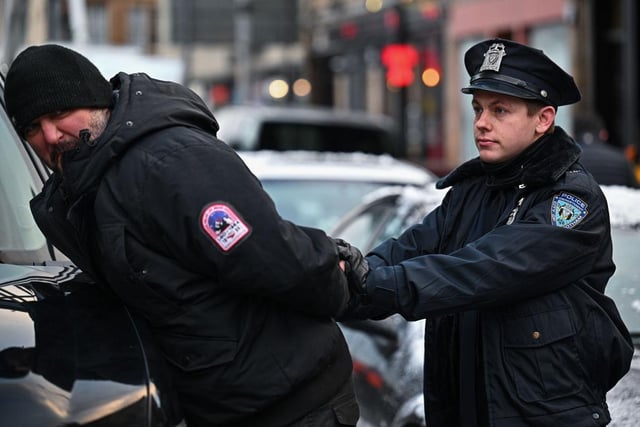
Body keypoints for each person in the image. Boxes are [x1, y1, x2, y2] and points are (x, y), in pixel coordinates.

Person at [3, 44, 359, 427]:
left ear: (95, 101)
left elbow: (275, 258)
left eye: (59, 115)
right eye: (33, 129)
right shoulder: (77, 193)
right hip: (223, 405)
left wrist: (347, 285)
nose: (51, 136)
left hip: (295, 405)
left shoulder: (167, 162)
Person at [336, 38, 634, 426]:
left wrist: (375, 283)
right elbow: (411, 248)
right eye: (477, 108)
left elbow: (486, 268)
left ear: (543, 119)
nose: (481, 123)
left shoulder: (572, 201)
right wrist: (346, 277)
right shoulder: (472, 191)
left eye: (500, 110)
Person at [573, 111, 639, 187]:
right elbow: (636, 191)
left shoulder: (568, 161)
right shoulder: (622, 159)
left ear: (572, 135)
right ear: (604, 134)